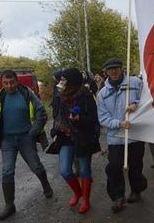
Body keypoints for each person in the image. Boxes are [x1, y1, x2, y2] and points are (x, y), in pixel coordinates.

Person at [0, 70, 53, 220]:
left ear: (17, 80)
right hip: (7, 140)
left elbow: (41, 113)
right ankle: (9, 205)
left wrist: (32, 133)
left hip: (26, 138)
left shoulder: (27, 94)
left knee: (36, 166)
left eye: (12, 82)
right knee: (7, 171)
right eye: (5, 83)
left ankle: (46, 185)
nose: (9, 86)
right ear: (2, 83)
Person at [97, 58, 147, 213]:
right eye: (109, 69)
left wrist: (136, 105)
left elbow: (148, 100)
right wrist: (119, 123)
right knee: (114, 167)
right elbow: (103, 118)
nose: (113, 71)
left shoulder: (135, 83)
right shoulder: (102, 94)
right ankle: (117, 197)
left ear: (121, 68)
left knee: (136, 165)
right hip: (115, 138)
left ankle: (136, 190)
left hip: (136, 135)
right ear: (105, 72)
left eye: (116, 68)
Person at [51, 68, 101, 213]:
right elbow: (58, 116)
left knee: (85, 170)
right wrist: (56, 130)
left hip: (83, 137)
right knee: (65, 171)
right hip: (65, 137)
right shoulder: (60, 95)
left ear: (71, 81)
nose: (61, 82)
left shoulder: (86, 96)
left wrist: (80, 120)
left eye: (64, 79)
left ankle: (85, 200)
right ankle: (78, 192)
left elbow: (93, 119)